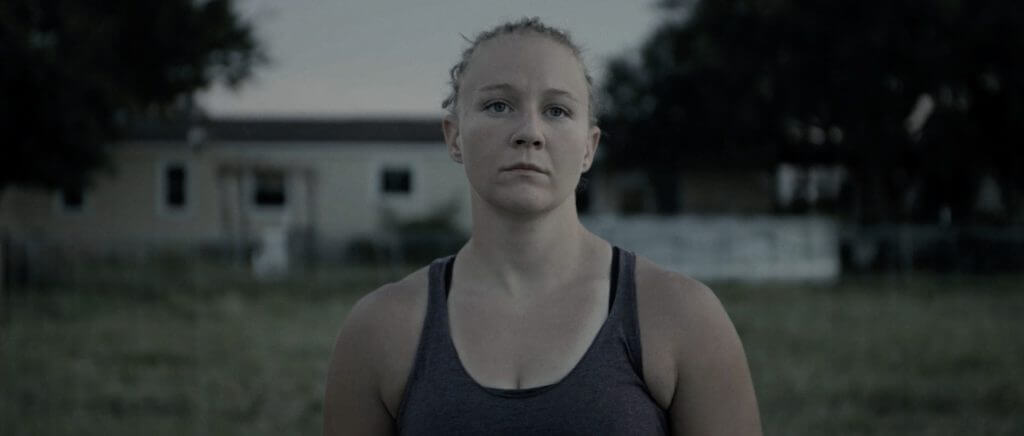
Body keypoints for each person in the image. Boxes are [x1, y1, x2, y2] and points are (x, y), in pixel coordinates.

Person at [324, 17, 762, 435]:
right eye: (498, 105)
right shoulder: (380, 329)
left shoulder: (682, 317)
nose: (529, 132)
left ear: (589, 148)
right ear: (454, 136)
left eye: (556, 110)